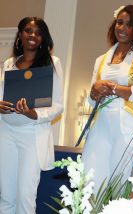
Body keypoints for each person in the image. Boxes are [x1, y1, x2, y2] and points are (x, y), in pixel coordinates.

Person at [81, 5, 133, 193]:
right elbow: (92, 102)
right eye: (120, 22)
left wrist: (114, 88)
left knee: (121, 185)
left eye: (130, 24)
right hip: (101, 126)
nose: (122, 28)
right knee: (90, 182)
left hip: (130, 125)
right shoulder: (101, 59)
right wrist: (94, 91)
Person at [0, 17, 64, 214]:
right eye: (28, 30)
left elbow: (58, 105)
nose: (33, 35)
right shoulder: (10, 63)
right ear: (20, 34)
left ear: (43, 38)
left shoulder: (52, 63)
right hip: (6, 132)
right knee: (6, 195)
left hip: (32, 135)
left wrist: (34, 113)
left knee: (26, 195)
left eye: (38, 32)